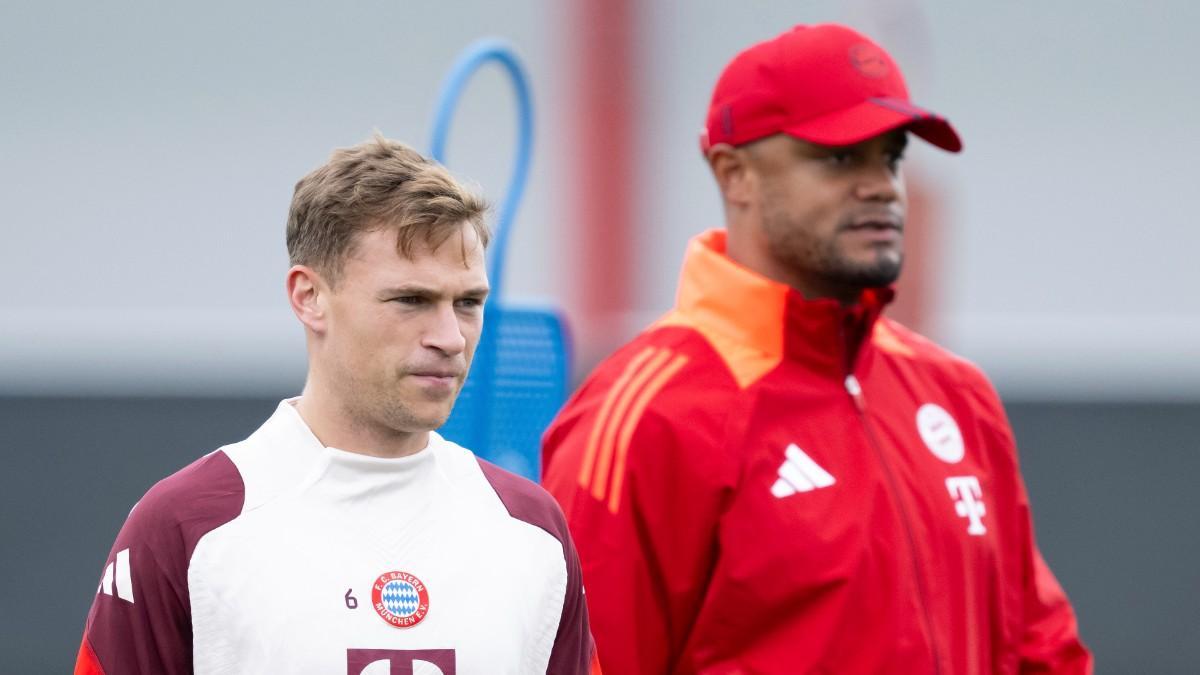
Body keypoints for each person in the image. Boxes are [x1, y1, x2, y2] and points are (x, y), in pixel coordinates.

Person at [542, 23, 1091, 674]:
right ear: (735, 174)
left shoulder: (956, 393)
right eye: (840, 158)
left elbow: (1041, 649)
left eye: (891, 158)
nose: (881, 186)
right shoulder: (646, 417)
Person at [76, 135, 593, 675]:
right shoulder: (188, 526)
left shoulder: (532, 530)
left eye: (468, 302)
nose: (450, 337)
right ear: (309, 297)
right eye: (411, 299)